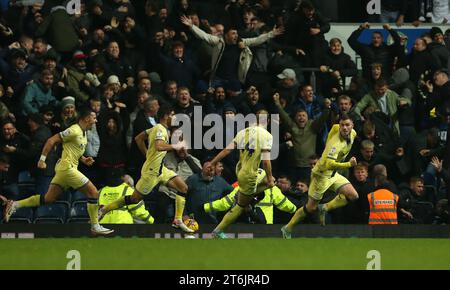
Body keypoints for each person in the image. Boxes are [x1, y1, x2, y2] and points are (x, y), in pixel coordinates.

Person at [2, 107, 113, 235]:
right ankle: (95, 226)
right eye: (94, 118)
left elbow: (71, 148)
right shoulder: (74, 130)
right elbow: (52, 140)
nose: (96, 121)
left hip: (64, 169)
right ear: (87, 118)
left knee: (49, 198)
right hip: (67, 169)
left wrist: (83, 159)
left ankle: (15, 205)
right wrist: (42, 160)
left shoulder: (83, 132)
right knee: (93, 193)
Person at [98, 105, 194, 233]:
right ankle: (104, 209)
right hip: (151, 172)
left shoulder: (155, 128)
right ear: (166, 116)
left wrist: (148, 154)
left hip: (161, 169)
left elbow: (138, 138)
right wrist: (176, 146)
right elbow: (159, 146)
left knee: (183, 188)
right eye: (172, 115)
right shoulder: (160, 128)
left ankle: (178, 220)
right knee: (134, 199)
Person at [281, 114, 359, 238]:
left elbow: (334, 127)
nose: (344, 128)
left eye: (347, 125)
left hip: (333, 175)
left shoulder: (352, 133)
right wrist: (349, 164)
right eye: (342, 125)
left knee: (353, 195)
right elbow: (329, 164)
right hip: (321, 176)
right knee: (311, 208)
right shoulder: (335, 143)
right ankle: (287, 228)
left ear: (352, 126)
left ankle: (325, 207)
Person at [209, 110, 275, 238]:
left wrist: (213, 162)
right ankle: (217, 231)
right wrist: (269, 178)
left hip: (240, 170)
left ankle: (245, 194)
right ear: (267, 121)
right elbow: (266, 162)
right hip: (249, 175)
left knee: (270, 180)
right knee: (241, 205)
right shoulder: (267, 136)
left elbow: (227, 150)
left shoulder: (243, 132)